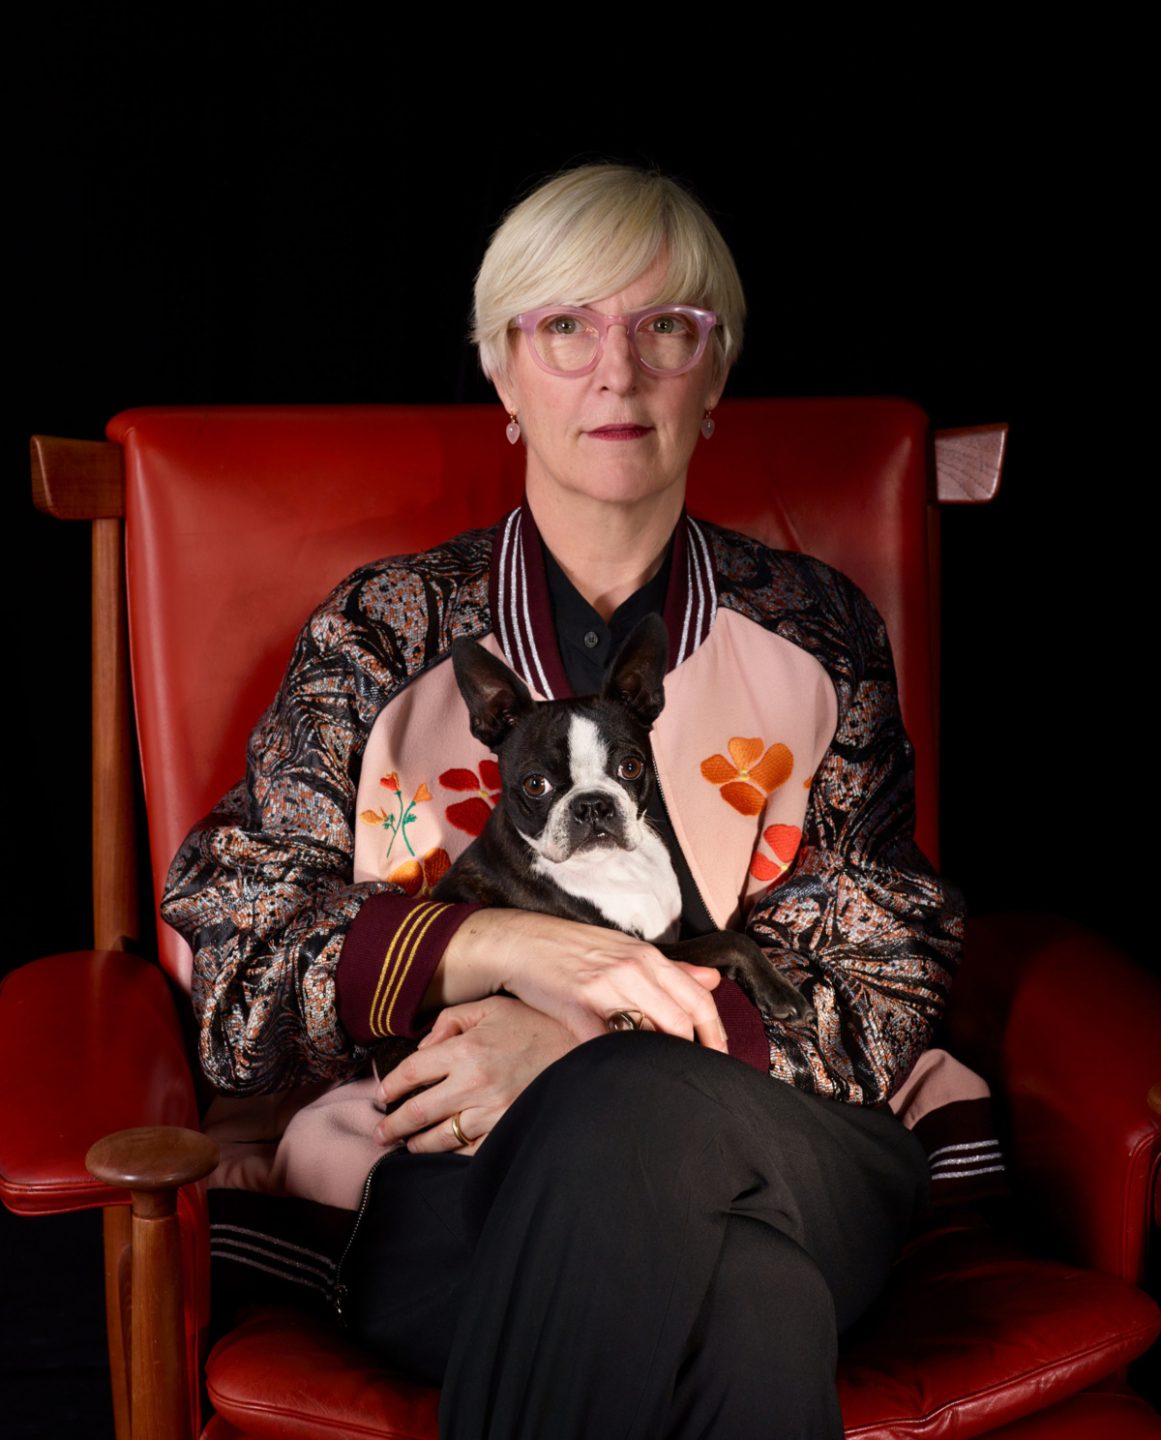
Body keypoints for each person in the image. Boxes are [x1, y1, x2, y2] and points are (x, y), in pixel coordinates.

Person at [163, 164, 969, 1438]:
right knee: (753, 1303)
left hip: (785, 1148)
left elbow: (883, 977)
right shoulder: (382, 635)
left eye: (667, 328)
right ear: (500, 370)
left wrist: (597, 1048)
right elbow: (241, 967)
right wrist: (495, 943)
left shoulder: (819, 635)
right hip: (455, 1182)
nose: (617, 372)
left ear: (716, 372)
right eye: (563, 328)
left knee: (623, 1107)